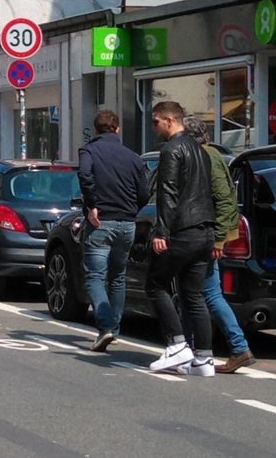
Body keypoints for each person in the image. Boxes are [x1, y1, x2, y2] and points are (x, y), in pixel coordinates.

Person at [147, 101, 217, 376]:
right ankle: (204, 358)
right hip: (205, 231)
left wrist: (161, 231)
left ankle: (177, 345)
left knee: (155, 285)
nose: (155, 127)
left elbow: (168, 193)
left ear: (169, 120)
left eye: (155, 122)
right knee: (193, 294)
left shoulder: (172, 149)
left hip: (182, 230)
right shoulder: (201, 151)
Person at [182, 117, 256, 374]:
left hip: (207, 234)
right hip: (207, 233)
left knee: (204, 294)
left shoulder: (206, 157)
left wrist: (219, 238)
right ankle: (194, 348)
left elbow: (224, 198)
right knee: (197, 292)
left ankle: (235, 347)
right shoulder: (209, 154)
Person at [77, 110, 149, 352]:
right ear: (117, 129)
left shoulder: (89, 151)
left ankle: (105, 326)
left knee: (96, 277)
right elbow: (144, 193)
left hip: (101, 222)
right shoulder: (133, 157)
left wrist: (92, 205)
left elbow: (85, 175)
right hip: (127, 223)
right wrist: (131, 210)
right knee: (118, 277)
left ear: (96, 129)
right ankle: (114, 330)